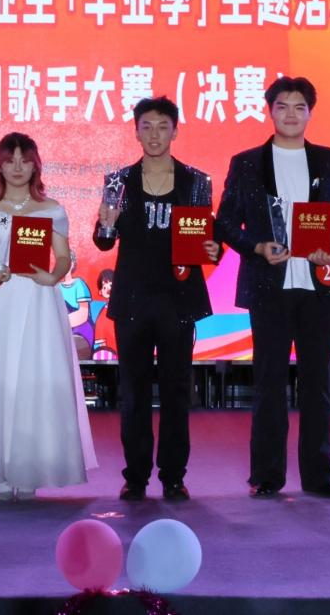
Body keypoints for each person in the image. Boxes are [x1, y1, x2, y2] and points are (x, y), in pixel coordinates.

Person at [215, 76, 330, 499]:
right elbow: (225, 222)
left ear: (310, 113)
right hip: (270, 287)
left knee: (317, 384)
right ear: (270, 111)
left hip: (319, 288)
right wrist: (257, 247)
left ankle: (319, 476)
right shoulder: (247, 163)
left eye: (300, 107)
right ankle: (266, 476)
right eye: (283, 106)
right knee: (268, 383)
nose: (291, 114)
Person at [0, 133, 96, 499]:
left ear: (34, 165)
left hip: (38, 298)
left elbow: (62, 256)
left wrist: (54, 276)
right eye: (9, 160)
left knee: (34, 379)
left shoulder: (52, 209)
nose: (16, 167)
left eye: (24, 160)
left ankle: (29, 468)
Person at [94, 96, 219, 501]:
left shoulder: (196, 182)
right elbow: (104, 240)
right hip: (132, 300)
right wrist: (106, 224)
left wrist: (213, 249)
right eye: (146, 126)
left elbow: (207, 240)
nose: (154, 134)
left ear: (175, 132)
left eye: (163, 127)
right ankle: (135, 476)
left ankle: (173, 476)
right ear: (135, 131)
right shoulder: (118, 182)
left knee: (175, 391)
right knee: (133, 393)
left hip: (178, 300)